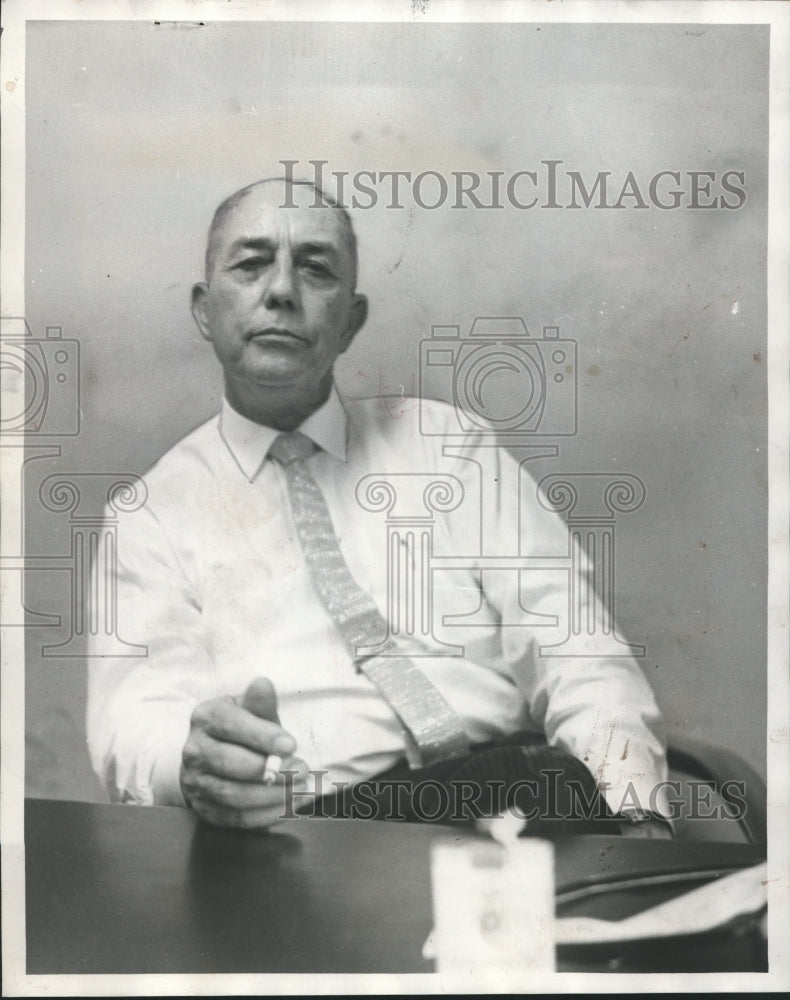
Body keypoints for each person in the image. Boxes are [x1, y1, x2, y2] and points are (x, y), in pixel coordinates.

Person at [87, 177, 672, 837]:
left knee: (561, 786)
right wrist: (196, 765)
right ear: (203, 309)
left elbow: (576, 644)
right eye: (251, 265)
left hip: (511, 799)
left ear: (351, 322)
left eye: (314, 269)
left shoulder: (451, 446)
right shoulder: (151, 513)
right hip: (309, 833)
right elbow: (139, 720)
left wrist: (634, 810)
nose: (281, 290)